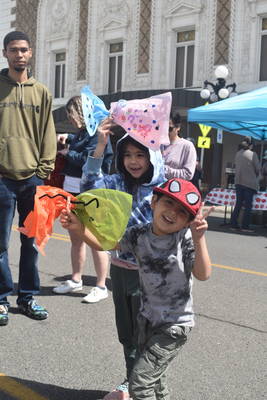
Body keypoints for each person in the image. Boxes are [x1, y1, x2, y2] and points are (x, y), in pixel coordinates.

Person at [59, 178, 212, 400]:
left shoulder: (184, 238)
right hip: (147, 320)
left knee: (139, 384)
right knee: (155, 381)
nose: (172, 213)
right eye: (168, 203)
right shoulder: (139, 234)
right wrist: (79, 227)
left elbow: (203, 273)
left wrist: (199, 239)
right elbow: (107, 244)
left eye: (182, 212)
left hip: (174, 326)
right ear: (154, 202)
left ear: (188, 221)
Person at [78, 119, 165, 400]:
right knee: (126, 334)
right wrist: (100, 146)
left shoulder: (163, 191)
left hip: (150, 275)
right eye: (127, 155)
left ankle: (146, 386)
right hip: (120, 269)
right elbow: (88, 189)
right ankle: (132, 380)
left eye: (140, 155)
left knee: (147, 336)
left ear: (152, 157)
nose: (133, 161)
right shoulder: (115, 183)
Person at [0, 31, 57, 325]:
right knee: (0, 244)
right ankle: (0, 299)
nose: (19, 55)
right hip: (1, 179)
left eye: (23, 50)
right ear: (5, 53)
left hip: (32, 179)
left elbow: (48, 133)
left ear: (31, 53)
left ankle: (27, 297)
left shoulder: (42, 92)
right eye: (13, 50)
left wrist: (43, 170)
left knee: (31, 242)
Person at [52, 96, 113, 303]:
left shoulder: (98, 133)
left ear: (82, 112)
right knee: (76, 238)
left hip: (92, 192)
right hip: (72, 191)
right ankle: (76, 279)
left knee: (96, 240)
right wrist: (67, 140)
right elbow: (77, 143)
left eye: (71, 113)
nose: (69, 118)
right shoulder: (81, 133)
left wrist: (67, 152)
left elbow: (89, 162)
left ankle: (101, 285)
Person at [230, 137, 260, 233]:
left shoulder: (238, 154)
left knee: (238, 204)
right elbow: (258, 169)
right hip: (249, 183)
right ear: (251, 145)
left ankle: (233, 224)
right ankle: (245, 226)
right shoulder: (253, 154)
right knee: (248, 206)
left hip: (238, 182)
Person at [161, 110, 197, 181]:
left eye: (169, 128)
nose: (166, 131)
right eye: (163, 128)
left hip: (173, 190)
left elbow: (188, 174)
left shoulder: (187, 146)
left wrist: (163, 170)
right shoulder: (157, 144)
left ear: (178, 128)